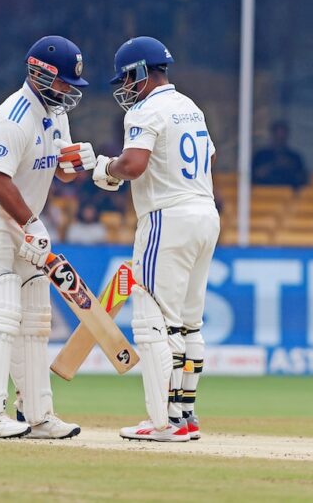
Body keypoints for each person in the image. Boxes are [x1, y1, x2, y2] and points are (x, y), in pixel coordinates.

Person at [0, 35, 92, 439]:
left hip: (22, 221)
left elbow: (59, 168)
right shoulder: (14, 115)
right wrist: (31, 224)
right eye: (65, 83)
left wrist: (77, 161)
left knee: (34, 319)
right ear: (40, 74)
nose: (69, 92)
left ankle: (37, 417)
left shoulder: (56, 112)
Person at [87, 36, 220, 442]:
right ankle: (184, 416)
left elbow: (133, 164)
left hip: (168, 217)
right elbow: (209, 157)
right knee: (187, 325)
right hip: (205, 212)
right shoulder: (190, 107)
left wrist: (103, 168)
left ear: (143, 73)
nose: (125, 87)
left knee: (154, 322)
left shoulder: (146, 109)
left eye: (127, 77)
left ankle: (162, 422)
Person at [252, 120, 308, 189]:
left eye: (282, 138)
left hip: (289, 196)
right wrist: (273, 165)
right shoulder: (260, 155)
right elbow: (254, 176)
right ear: (272, 136)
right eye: (277, 137)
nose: (279, 141)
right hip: (264, 194)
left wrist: (289, 166)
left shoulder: (294, 157)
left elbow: (303, 179)